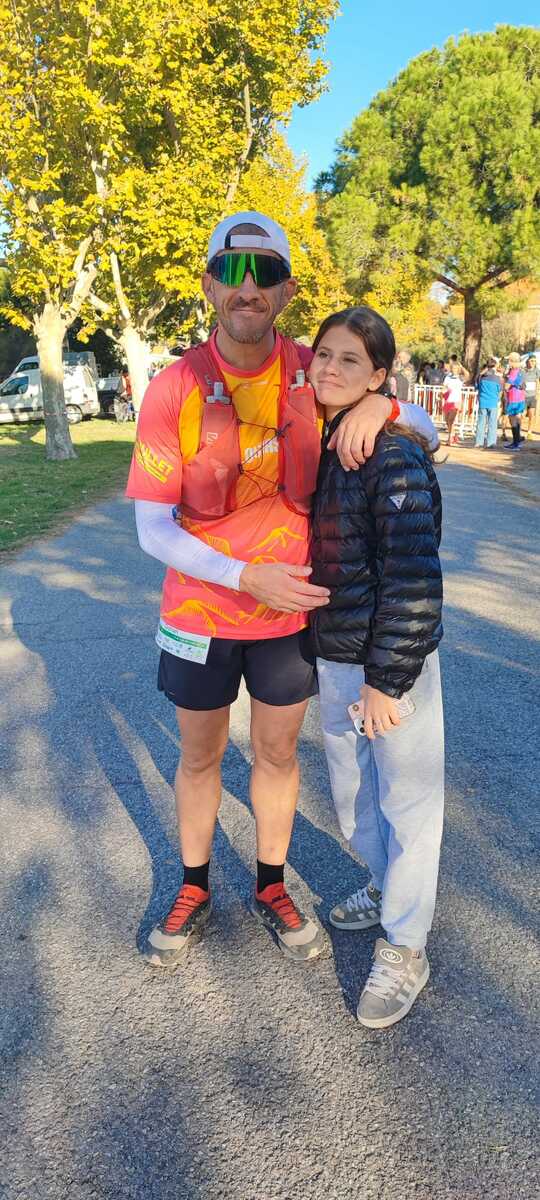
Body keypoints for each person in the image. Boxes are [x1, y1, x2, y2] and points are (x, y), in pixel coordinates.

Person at [125, 210, 438, 969]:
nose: (248, 288)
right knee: (199, 757)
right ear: (209, 285)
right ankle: (193, 886)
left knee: (275, 754)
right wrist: (242, 575)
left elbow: (427, 434)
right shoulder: (173, 388)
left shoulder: (314, 370)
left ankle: (271, 884)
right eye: (231, 272)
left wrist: (385, 404)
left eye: (264, 273)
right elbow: (152, 528)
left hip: (286, 618)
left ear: (286, 290)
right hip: (199, 613)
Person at [308, 305, 444, 1029]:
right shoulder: (326, 432)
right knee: (354, 799)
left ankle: (406, 944)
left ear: (379, 374)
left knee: (408, 804)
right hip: (336, 655)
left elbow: (414, 577)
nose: (330, 368)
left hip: (390, 664)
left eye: (350, 360)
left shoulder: (390, 451)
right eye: (324, 353)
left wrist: (387, 680)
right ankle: (387, 884)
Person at [475, 357, 503, 448]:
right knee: (492, 423)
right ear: (494, 366)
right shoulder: (497, 378)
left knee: (481, 422)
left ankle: (479, 442)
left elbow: (477, 386)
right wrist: (498, 399)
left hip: (483, 402)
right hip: (493, 402)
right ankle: (491, 442)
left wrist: (480, 374)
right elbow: (500, 391)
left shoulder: (481, 377)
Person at [504, 352, 526, 450]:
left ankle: (515, 444)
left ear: (512, 361)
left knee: (512, 420)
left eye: (509, 360)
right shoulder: (520, 371)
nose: (508, 362)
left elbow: (507, 386)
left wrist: (504, 385)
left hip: (513, 398)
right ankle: (517, 442)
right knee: (517, 418)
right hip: (520, 398)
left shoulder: (513, 372)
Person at [441, 361, 463, 444]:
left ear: (458, 369)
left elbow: (467, 375)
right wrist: (442, 392)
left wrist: (462, 367)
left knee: (451, 420)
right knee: (447, 420)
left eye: (456, 368)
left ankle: (450, 438)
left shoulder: (460, 377)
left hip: (456, 401)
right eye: (453, 368)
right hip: (448, 400)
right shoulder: (448, 377)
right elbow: (444, 387)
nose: (454, 369)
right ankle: (453, 435)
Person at [522, 354, 539, 439]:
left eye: (534, 361)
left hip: (532, 396)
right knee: (522, 414)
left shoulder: (537, 370)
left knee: (531, 415)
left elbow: (537, 381)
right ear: (528, 361)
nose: (533, 363)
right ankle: (519, 431)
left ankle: (529, 432)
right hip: (523, 396)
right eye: (531, 361)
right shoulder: (523, 371)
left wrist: (537, 393)